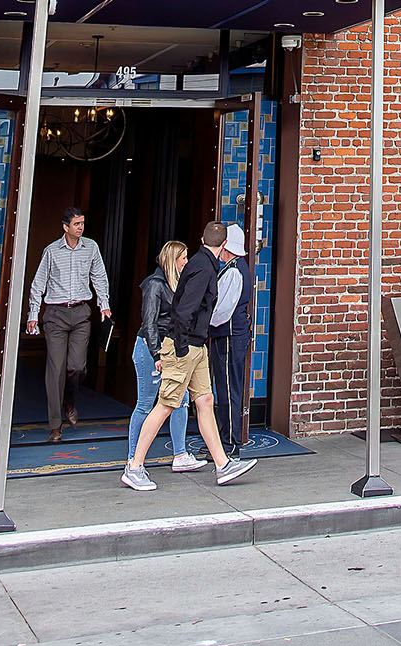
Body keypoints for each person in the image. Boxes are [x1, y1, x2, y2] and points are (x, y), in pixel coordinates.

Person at [122, 220, 257, 490]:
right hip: (184, 347)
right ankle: (134, 467)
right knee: (166, 404)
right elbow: (184, 311)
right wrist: (182, 349)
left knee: (205, 400)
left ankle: (223, 464)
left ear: (203, 239)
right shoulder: (204, 268)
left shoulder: (202, 264)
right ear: (224, 245)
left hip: (195, 346)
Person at [27, 207, 111, 444]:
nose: (81, 227)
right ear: (66, 227)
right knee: (55, 370)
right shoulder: (51, 251)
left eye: (82, 223)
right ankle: (55, 425)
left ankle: (70, 401)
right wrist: (33, 315)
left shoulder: (91, 247)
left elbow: (99, 277)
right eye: (76, 224)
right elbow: (38, 284)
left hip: (81, 312)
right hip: (56, 314)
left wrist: (104, 305)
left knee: (77, 367)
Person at [128, 241, 207, 473]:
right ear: (173, 260)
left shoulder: (180, 283)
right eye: (183, 258)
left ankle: (180, 454)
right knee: (145, 403)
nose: (186, 262)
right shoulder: (155, 284)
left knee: (180, 400)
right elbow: (149, 323)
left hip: (171, 348)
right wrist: (156, 354)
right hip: (150, 348)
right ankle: (133, 458)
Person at [209, 223, 254, 458]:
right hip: (231, 334)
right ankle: (225, 439)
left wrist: (204, 325)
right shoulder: (235, 268)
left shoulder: (234, 271)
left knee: (228, 390)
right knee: (227, 388)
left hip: (228, 335)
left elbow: (222, 311)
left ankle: (229, 443)